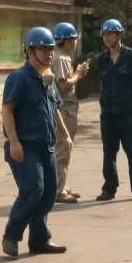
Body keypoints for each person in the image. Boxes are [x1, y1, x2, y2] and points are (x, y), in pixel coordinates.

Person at [0, 27, 71, 258]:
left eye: (51, 49)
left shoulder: (47, 79)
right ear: (29, 51)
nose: (49, 53)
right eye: (43, 49)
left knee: (48, 193)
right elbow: (7, 110)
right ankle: (11, 236)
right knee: (33, 190)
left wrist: (65, 135)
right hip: (25, 146)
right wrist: (14, 142)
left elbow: (55, 108)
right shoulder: (19, 78)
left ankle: (39, 240)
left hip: (46, 146)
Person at [95, 18, 132, 202]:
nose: (107, 38)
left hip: (127, 113)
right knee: (109, 153)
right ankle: (109, 189)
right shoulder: (101, 59)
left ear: (119, 35)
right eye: (104, 35)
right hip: (107, 114)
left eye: (110, 34)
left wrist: (125, 96)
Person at [52, 22, 90, 203]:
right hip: (65, 109)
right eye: (74, 39)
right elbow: (64, 86)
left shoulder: (61, 56)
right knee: (63, 148)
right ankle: (58, 190)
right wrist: (79, 73)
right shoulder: (61, 59)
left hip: (65, 108)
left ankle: (62, 184)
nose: (75, 42)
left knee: (63, 148)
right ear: (66, 41)